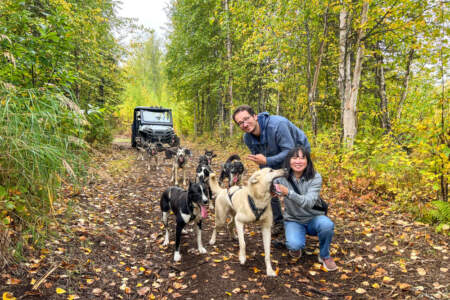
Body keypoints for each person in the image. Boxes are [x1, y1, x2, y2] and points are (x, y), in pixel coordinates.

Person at [232, 105, 311, 235]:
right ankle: (278, 222)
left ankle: (303, 221)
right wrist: (268, 180)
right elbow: (261, 162)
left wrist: (267, 161)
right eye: (240, 123)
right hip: (275, 155)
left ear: (255, 116)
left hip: (298, 153)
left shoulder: (277, 125)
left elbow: (289, 152)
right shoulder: (247, 138)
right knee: (269, 186)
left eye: (246, 119)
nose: (244, 124)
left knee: (294, 185)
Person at [273, 146, 337, 271]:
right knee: (294, 244)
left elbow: (308, 202)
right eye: (295, 158)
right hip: (293, 219)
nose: (298, 161)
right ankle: (296, 246)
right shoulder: (281, 177)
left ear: (307, 161)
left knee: (327, 225)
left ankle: (325, 255)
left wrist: (288, 193)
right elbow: (268, 184)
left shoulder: (315, 177)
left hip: (314, 218)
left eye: (302, 158)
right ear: (289, 160)